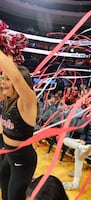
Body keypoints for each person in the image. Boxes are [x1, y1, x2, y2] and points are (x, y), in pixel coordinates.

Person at [0, 45, 38, 198]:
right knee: (4, 189)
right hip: (9, 155)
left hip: (23, 161)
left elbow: (15, 77)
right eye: (2, 78)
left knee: (13, 197)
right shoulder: (6, 100)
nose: (3, 82)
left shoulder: (27, 103)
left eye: (6, 79)